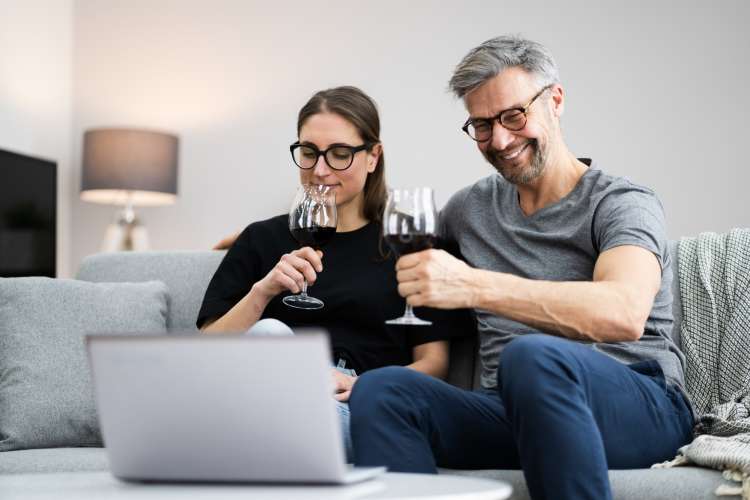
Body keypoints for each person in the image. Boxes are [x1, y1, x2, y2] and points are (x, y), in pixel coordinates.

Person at [348, 36, 695, 500]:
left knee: (530, 356)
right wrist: (272, 241)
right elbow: (391, 251)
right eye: (482, 125)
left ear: (555, 100)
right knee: (383, 392)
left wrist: (475, 286)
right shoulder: (470, 209)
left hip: (639, 405)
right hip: (509, 410)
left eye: (514, 116)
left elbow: (624, 313)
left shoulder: (621, 203)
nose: (501, 140)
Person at [196, 86, 469, 461]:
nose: (320, 170)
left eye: (340, 154)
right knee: (270, 333)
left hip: (357, 407)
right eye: (309, 153)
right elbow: (209, 351)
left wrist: (363, 385)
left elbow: (433, 364)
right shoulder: (262, 239)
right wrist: (262, 292)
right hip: (266, 398)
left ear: (373, 157)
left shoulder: (410, 245)